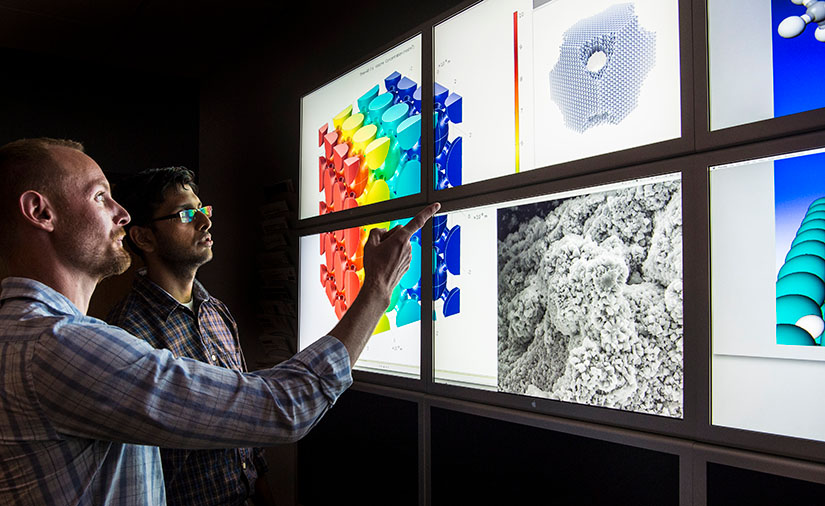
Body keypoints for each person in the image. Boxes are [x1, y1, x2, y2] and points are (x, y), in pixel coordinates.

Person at [0, 137, 439, 505]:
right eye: (100, 196)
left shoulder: (31, 336)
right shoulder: (61, 346)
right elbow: (280, 407)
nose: (122, 213)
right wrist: (378, 286)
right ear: (41, 212)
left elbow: (247, 440)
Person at [106, 166, 273, 505]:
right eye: (186, 213)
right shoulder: (126, 333)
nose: (205, 221)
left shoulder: (217, 312)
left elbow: (246, 431)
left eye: (202, 209)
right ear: (144, 237)